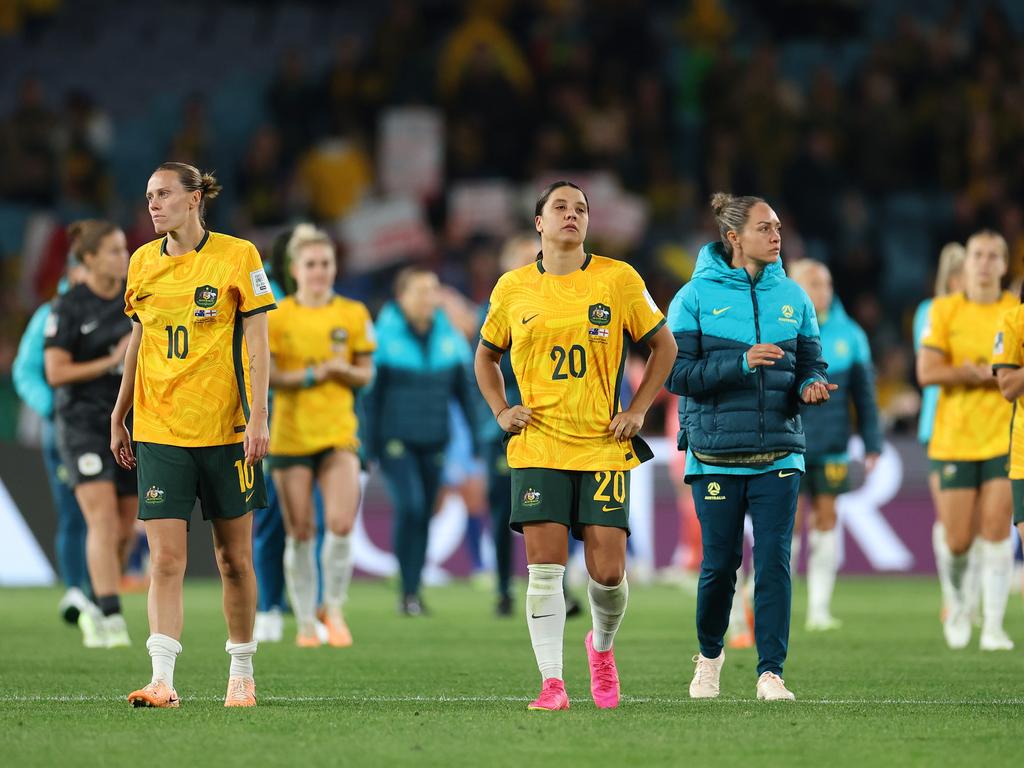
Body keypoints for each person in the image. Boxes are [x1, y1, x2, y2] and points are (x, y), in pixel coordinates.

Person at [476, 181, 676, 711]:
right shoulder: (512, 287)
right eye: (560, 207)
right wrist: (501, 411)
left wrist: (636, 412)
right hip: (538, 444)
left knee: (608, 572)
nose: (572, 214)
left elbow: (664, 345)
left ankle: (601, 648)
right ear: (538, 222)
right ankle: (552, 683)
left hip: (602, 444)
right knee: (545, 569)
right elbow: (485, 357)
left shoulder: (618, 278)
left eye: (581, 208)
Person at [111, 162, 276, 708]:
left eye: (163, 194)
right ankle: (162, 679)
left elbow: (258, 344)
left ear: (195, 198)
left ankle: (242, 673)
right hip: (160, 428)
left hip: (227, 430)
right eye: (148, 195)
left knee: (234, 560)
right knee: (163, 560)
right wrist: (121, 411)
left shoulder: (239, 256)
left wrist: (259, 416)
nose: (153, 205)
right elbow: (139, 343)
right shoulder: (141, 264)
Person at [667, 193, 832, 702]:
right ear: (734, 237)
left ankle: (771, 673)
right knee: (719, 565)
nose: (776, 235)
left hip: (780, 452)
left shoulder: (795, 298)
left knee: (776, 561)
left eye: (778, 226)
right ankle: (710, 658)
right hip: (715, 453)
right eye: (765, 228)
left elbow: (811, 362)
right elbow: (676, 375)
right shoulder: (692, 297)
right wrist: (740, 364)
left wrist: (810, 385)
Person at [267, 223, 375, 647]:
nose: (319, 271)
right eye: (311, 264)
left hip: (338, 432)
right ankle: (306, 623)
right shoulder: (278, 315)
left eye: (326, 263)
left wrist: (343, 371)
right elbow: (269, 375)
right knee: (300, 531)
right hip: (291, 436)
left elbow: (365, 373)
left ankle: (333, 607)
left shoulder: (353, 313)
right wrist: (315, 374)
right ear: (295, 268)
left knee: (341, 523)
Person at [917, 229, 1016, 651]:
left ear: (1005, 265)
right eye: (978, 254)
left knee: (996, 532)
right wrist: (972, 373)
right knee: (957, 541)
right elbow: (927, 373)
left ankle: (993, 625)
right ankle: (958, 602)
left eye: (994, 256)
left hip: (1006, 436)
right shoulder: (944, 310)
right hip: (954, 437)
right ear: (966, 262)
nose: (985, 262)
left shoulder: (1015, 310)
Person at [363, 267, 479, 615]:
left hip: (435, 439)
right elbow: (371, 399)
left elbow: (465, 394)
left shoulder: (450, 338)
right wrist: (367, 446)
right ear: (401, 297)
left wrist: (476, 436)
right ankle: (407, 585)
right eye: (420, 291)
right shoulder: (382, 337)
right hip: (395, 440)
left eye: (433, 290)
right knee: (411, 506)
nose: (429, 298)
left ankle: (412, 591)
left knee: (424, 512)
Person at [44, 219, 136, 648]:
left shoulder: (135, 300)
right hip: (82, 423)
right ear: (90, 258)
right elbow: (55, 372)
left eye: (125, 249)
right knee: (99, 518)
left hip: (131, 422)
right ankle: (111, 616)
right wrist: (110, 361)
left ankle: (100, 603)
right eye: (115, 250)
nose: (124, 257)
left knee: (124, 526)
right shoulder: (69, 307)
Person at [789, 259, 882, 631]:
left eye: (826, 282)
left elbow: (865, 394)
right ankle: (779, 604)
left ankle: (819, 610)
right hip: (787, 442)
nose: (822, 290)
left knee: (827, 519)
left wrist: (873, 442)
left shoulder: (851, 334)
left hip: (831, 445)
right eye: (813, 283)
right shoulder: (781, 327)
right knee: (788, 524)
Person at [13, 250, 91, 626]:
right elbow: (25, 370)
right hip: (63, 431)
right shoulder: (50, 313)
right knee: (74, 513)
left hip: (108, 430)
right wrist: (52, 407)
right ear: (76, 270)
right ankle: (78, 591)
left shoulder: (118, 308)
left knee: (111, 516)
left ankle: (99, 590)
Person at [912, 243, 966, 620]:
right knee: (949, 515)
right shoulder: (930, 312)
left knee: (982, 523)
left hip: (987, 421)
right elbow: (932, 363)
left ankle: (972, 596)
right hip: (942, 421)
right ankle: (952, 594)